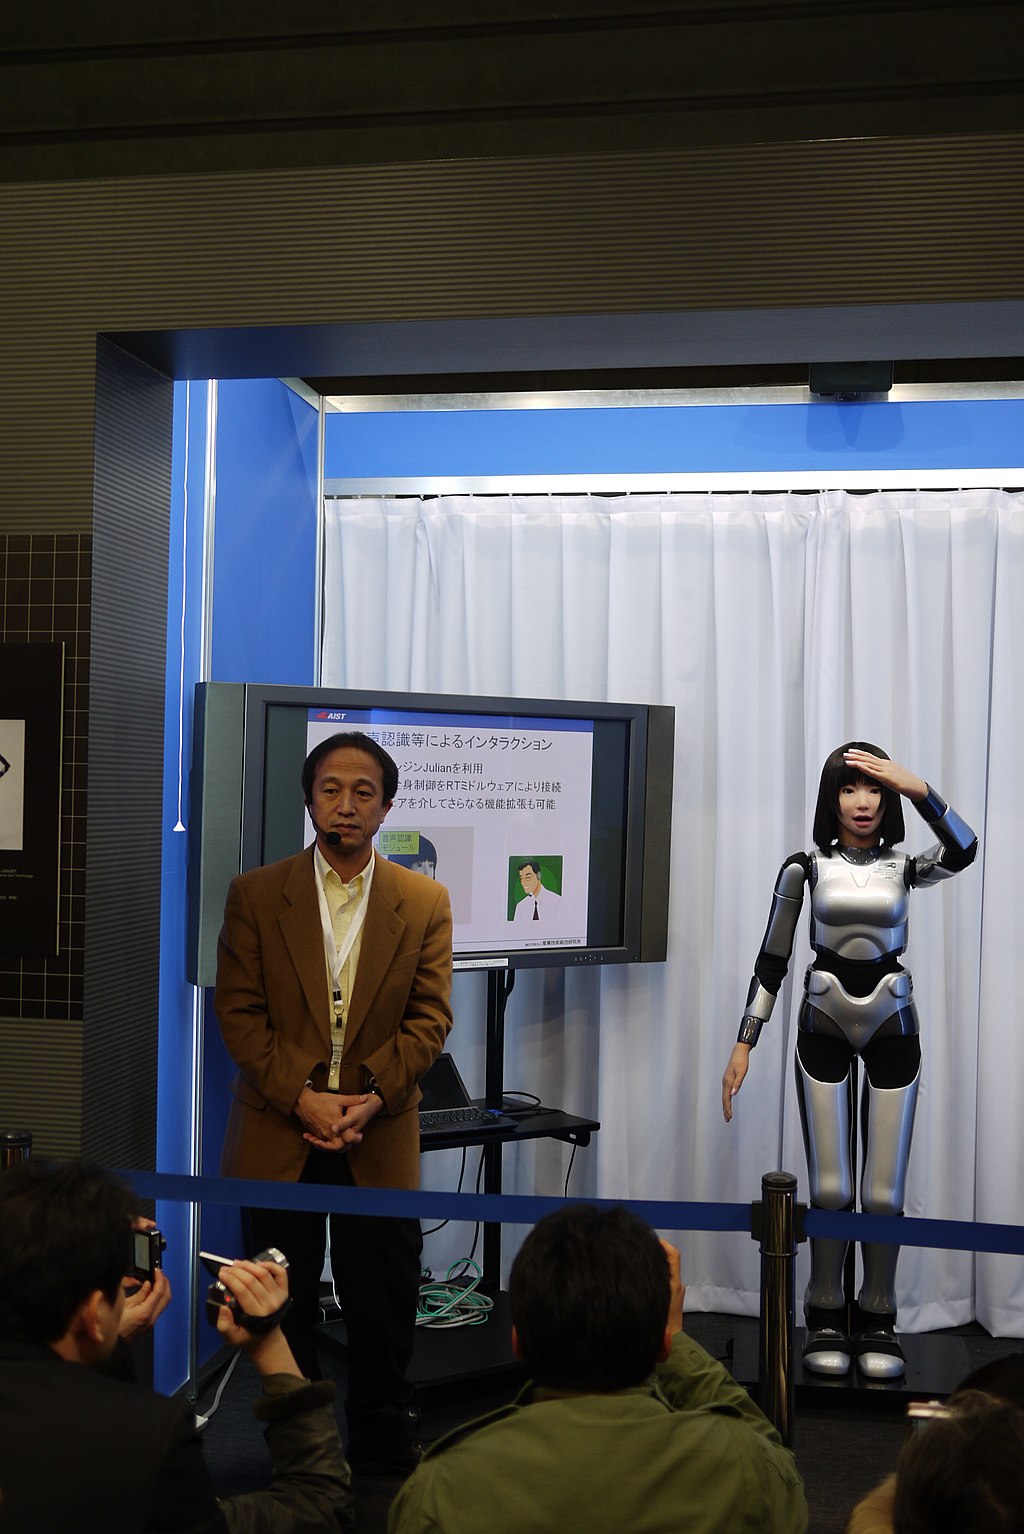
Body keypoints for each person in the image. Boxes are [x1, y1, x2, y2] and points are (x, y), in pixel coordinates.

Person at [215, 730, 453, 1475]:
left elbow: (430, 1019)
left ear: (385, 808)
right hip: (280, 1129)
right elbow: (239, 1014)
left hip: (376, 1132)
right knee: (281, 1299)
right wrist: (303, 1097)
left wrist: (373, 1096)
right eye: (330, 789)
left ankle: (381, 1443)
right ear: (309, 800)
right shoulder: (257, 894)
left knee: (382, 1300)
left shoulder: (424, 900)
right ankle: (301, 1448)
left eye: (362, 792)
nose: (345, 805)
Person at [722, 743, 977, 1379]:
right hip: (824, 1020)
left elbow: (965, 849)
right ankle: (826, 1310)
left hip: (892, 1019)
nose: (862, 802)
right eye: (848, 788)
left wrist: (920, 790)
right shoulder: (805, 868)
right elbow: (773, 958)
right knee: (832, 1187)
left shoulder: (905, 866)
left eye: (874, 789)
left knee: (883, 1192)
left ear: (888, 798)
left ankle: (879, 1314)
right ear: (830, 798)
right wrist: (745, 1040)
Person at [388, 1204, 808, 1534]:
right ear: (662, 1343)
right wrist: (676, 1337)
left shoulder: (440, 1490)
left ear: (518, 1343)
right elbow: (780, 1474)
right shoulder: (744, 1471)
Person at [0, 1157, 352, 1533]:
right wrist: (268, 1343)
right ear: (91, 1315)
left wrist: (97, 1339)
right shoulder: (149, 1437)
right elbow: (319, 1506)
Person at [511, 858, 562, 923]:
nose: (523, 882)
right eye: (521, 878)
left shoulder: (557, 902)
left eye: (528, 877)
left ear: (538, 876)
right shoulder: (521, 906)